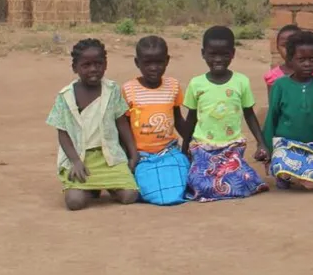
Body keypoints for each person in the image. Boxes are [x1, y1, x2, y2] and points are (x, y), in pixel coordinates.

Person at [46, 39, 139, 210]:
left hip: (109, 156)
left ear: (105, 64)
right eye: (86, 65)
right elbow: (63, 133)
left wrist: (133, 153)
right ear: (75, 68)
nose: (93, 69)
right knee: (75, 202)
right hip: (80, 158)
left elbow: (122, 123)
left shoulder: (112, 90)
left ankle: (108, 184)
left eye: (98, 64)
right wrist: (75, 161)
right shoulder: (65, 96)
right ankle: (92, 187)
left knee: (129, 195)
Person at [182, 26, 269, 202]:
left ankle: (220, 187)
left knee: (246, 178)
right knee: (197, 182)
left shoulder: (241, 82)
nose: (218, 60)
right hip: (203, 148)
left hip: (232, 148)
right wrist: (185, 148)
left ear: (233, 54)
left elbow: (249, 115)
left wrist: (261, 143)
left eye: (224, 54)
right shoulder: (196, 84)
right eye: (212, 54)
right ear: (203, 54)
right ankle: (221, 188)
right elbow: (191, 118)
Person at [122, 36, 190, 205]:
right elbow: (122, 125)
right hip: (141, 154)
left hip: (168, 151)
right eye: (147, 63)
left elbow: (178, 119)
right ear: (137, 63)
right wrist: (131, 154)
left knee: (183, 170)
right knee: (149, 182)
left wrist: (191, 143)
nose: (154, 68)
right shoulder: (128, 89)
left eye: (159, 63)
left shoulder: (173, 86)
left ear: (167, 61)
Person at [263, 31, 313, 190]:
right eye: (301, 59)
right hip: (284, 144)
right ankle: (285, 174)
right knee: (280, 165)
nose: (307, 64)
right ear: (290, 59)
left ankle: (294, 175)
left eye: (312, 59)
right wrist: (266, 149)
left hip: (312, 146)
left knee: (312, 183)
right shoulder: (280, 86)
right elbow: (272, 118)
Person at [263, 24, 313, 97]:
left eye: (294, 45)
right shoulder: (273, 77)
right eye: (284, 45)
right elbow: (273, 104)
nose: (289, 49)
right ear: (277, 48)